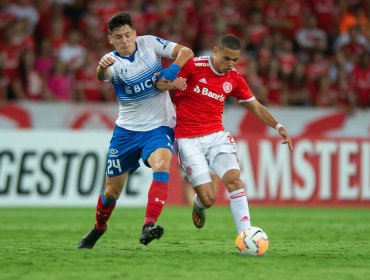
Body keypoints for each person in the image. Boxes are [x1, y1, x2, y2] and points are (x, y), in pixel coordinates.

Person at [77, 11, 194, 249]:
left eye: (128, 35)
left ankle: (148, 225)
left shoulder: (149, 43)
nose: (124, 41)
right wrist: (101, 67)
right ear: (110, 39)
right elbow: (103, 75)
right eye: (118, 37)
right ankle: (99, 227)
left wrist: (172, 71)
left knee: (162, 163)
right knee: (111, 192)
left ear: (135, 33)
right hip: (127, 132)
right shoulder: (112, 62)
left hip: (159, 126)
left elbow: (186, 52)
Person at [157, 34, 293, 235]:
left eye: (235, 60)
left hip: (216, 136)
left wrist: (278, 126)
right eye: (227, 58)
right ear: (215, 51)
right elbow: (160, 84)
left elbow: (255, 106)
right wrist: (172, 84)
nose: (231, 64)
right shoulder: (193, 65)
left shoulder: (235, 78)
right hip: (188, 139)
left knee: (235, 181)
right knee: (208, 199)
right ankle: (200, 204)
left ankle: (245, 234)